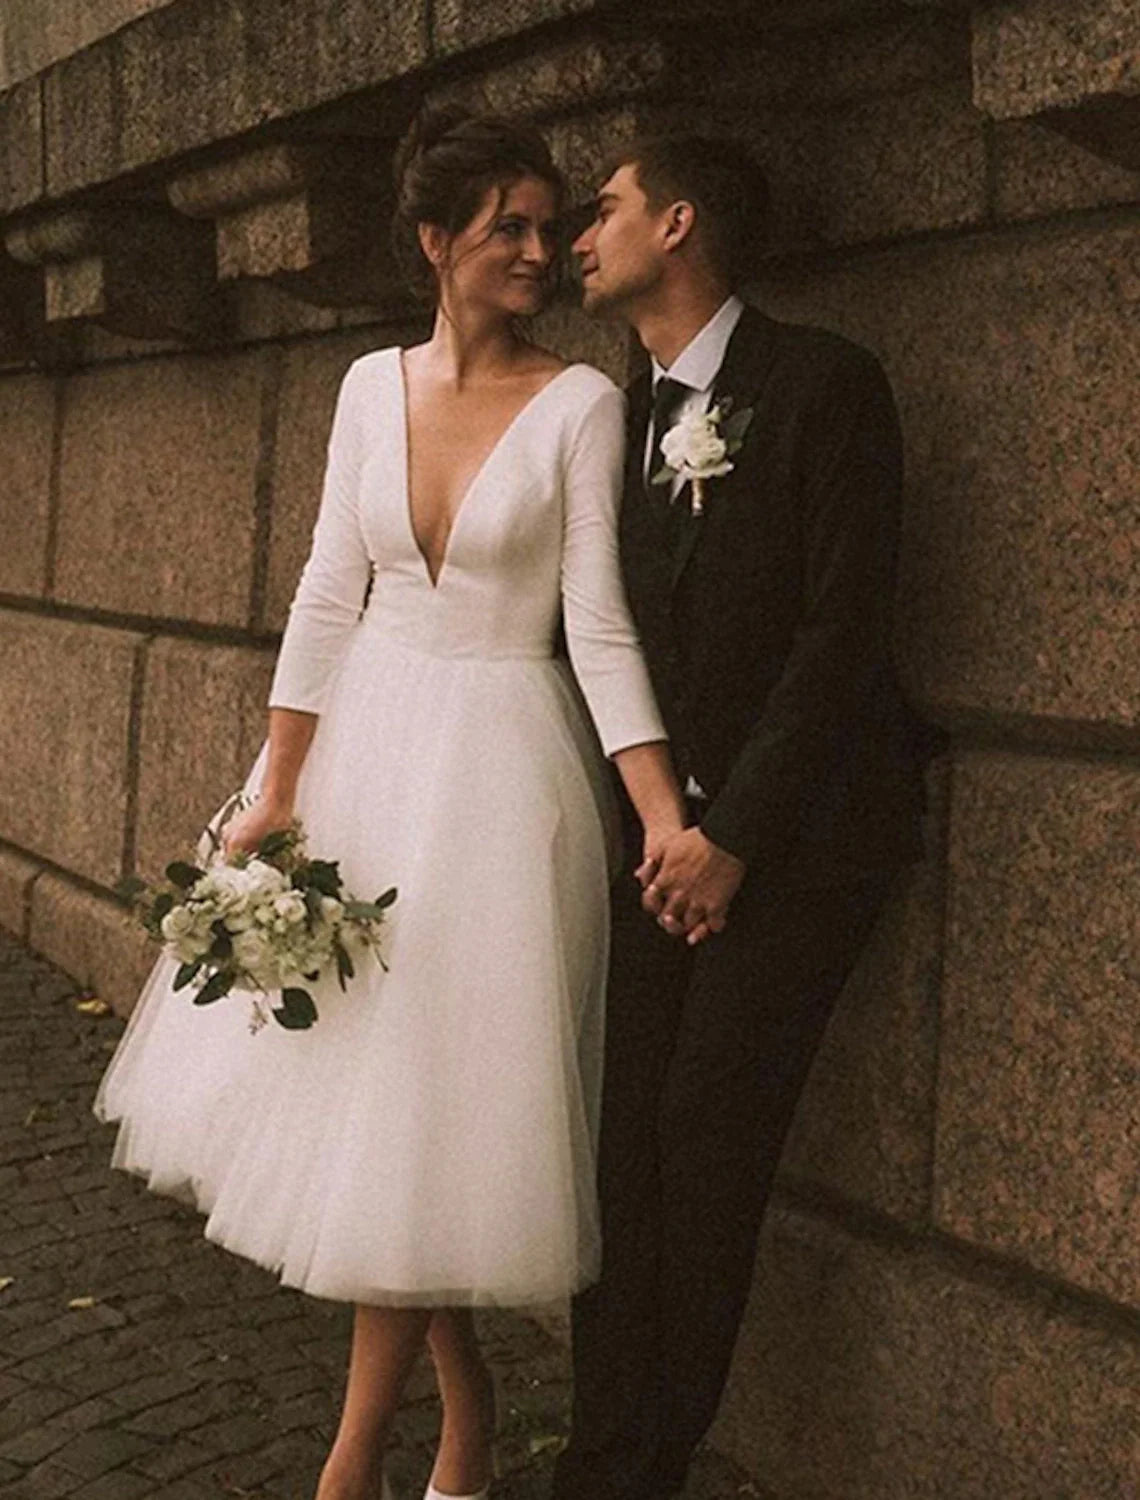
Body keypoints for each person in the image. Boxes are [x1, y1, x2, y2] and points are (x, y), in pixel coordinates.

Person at [94, 110, 684, 1500]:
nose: (542, 252)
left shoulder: (582, 403)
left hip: (500, 786)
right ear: (434, 242)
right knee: (392, 1118)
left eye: (552, 228)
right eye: (509, 231)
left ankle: (349, 1467)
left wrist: (654, 807)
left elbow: (598, 628)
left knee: (436, 1107)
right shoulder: (369, 387)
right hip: (363, 756)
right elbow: (322, 593)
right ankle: (465, 1414)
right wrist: (275, 791)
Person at [552, 135, 929, 1500]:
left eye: (603, 209)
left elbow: (843, 634)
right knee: (619, 1155)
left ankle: (643, 1467)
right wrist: (660, 832)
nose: (576, 237)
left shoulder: (825, 385)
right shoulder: (612, 416)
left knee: (707, 1142)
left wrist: (737, 838)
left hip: (800, 846)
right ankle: (598, 1457)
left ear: (682, 221)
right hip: (659, 854)